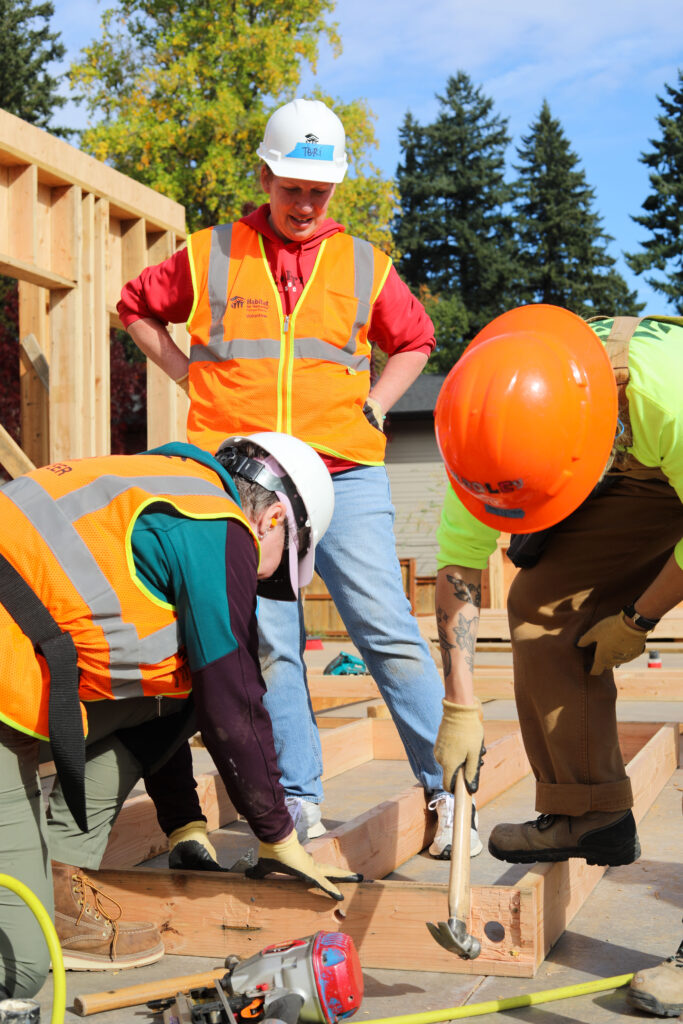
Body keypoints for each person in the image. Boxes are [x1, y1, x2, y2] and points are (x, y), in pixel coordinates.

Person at [117, 97, 481, 860]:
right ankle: (298, 801)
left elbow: (414, 340)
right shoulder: (211, 251)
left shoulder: (362, 263)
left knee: (386, 633)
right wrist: (192, 379)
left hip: (344, 475)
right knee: (272, 644)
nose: (306, 205)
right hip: (247, 482)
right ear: (265, 176)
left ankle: (449, 796)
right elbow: (135, 307)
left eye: (319, 192)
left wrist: (379, 403)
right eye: (291, 189)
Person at [0, 432, 362, 1001]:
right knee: (17, 966)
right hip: (6, 683)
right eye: (276, 568)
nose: (263, 583)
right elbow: (233, 699)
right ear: (270, 520)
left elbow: (170, 694)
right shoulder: (216, 524)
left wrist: (184, 826)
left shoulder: (162, 488)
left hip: (23, 669)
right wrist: (278, 835)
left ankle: (62, 871)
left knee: (188, 680)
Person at [432, 303, 683, 1016]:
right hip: (633, 457)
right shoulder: (483, 424)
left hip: (666, 441)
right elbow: (457, 572)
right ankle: (589, 811)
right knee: (541, 602)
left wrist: (639, 618)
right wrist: (459, 706)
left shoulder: (671, 396)